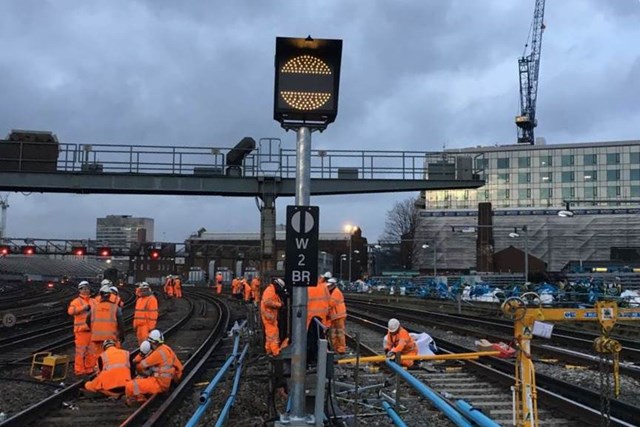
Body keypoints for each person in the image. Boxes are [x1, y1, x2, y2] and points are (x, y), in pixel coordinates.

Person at [125, 329, 183, 403]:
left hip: (160, 384)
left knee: (130, 385)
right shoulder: (165, 348)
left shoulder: (158, 353)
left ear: (153, 342)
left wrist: (135, 362)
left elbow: (141, 366)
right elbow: (179, 366)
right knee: (144, 375)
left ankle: (138, 400)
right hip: (170, 379)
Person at [87, 285, 126, 361]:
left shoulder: (94, 308)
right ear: (110, 295)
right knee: (111, 357)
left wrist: (93, 330)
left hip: (97, 338)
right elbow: (121, 323)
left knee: (99, 358)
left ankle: (100, 371)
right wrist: (122, 335)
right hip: (111, 338)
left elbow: (87, 320)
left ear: (100, 295)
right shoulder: (115, 308)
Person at [67, 281, 95, 375]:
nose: (86, 290)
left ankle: (89, 368)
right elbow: (70, 312)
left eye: (87, 288)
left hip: (92, 330)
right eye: (84, 289)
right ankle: (79, 370)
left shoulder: (93, 301)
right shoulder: (76, 301)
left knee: (91, 352)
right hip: (81, 331)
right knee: (80, 352)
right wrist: (83, 307)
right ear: (80, 290)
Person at [260, 278, 287, 357]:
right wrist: (279, 305)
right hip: (269, 317)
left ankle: (268, 351)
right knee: (273, 335)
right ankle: (276, 352)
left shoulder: (272, 291)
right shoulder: (270, 290)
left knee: (269, 336)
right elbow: (267, 302)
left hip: (270, 317)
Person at [327, 278, 347, 354]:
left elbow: (330, 303)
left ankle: (341, 349)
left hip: (339, 316)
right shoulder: (331, 292)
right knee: (333, 333)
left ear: (333, 285)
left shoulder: (336, 293)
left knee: (339, 333)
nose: (328, 287)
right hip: (334, 316)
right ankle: (335, 348)